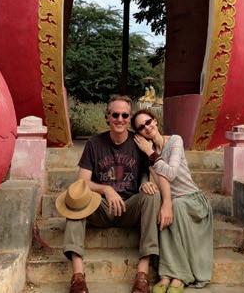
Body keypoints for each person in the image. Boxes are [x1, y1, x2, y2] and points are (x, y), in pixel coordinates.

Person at [62, 95, 170, 293]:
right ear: (107, 116)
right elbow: (82, 182)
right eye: (115, 115)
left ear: (129, 118)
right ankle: (78, 276)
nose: (120, 119)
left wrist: (145, 183)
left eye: (125, 115)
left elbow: (151, 172)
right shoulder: (94, 143)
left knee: (152, 195)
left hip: (130, 207)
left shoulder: (139, 142)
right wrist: (106, 189)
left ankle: (142, 274)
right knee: (74, 199)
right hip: (101, 207)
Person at [132, 109, 213, 293]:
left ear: (155, 120)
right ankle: (167, 275)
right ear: (139, 134)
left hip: (193, 202)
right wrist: (144, 183)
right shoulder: (149, 154)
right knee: (163, 210)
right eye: (141, 127)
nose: (147, 127)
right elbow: (147, 175)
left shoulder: (175, 140)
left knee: (174, 206)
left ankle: (178, 277)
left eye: (148, 122)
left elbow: (171, 173)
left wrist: (150, 152)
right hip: (174, 203)